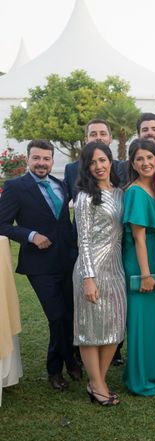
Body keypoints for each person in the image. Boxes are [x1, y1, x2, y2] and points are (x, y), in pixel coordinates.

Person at [0, 139, 80, 391]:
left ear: (52, 161)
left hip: (68, 260)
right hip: (39, 264)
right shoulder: (15, 187)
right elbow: (2, 224)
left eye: (46, 159)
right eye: (36, 158)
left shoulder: (60, 185)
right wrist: (31, 236)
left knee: (71, 314)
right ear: (27, 159)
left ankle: (72, 361)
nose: (41, 163)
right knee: (57, 317)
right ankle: (54, 370)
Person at [72, 142, 125, 406]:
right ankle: (98, 384)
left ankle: (97, 381)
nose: (99, 166)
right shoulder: (85, 197)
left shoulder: (120, 193)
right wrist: (88, 278)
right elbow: (83, 240)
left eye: (103, 160)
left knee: (114, 327)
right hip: (90, 269)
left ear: (111, 161)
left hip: (116, 269)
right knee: (90, 329)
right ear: (87, 167)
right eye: (93, 162)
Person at [121, 139, 155, 396]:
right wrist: (146, 274)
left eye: (149, 158)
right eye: (139, 159)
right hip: (142, 262)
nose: (145, 163)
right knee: (141, 322)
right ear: (133, 163)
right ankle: (140, 378)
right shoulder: (135, 192)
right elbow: (138, 238)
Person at [64, 119, 128, 201]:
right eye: (93, 134)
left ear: (110, 138)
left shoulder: (122, 167)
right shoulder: (71, 169)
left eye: (103, 134)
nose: (98, 138)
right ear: (86, 140)